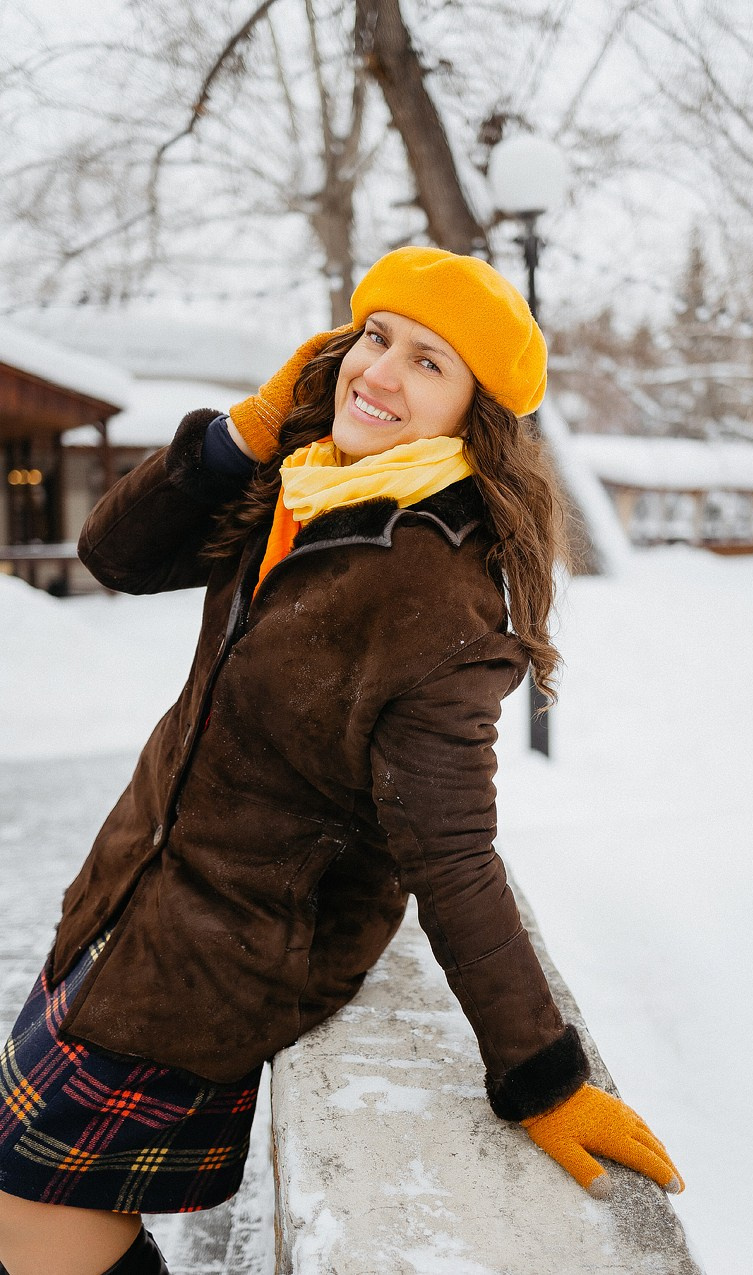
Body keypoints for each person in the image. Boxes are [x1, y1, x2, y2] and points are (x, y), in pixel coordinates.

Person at [0, 247, 682, 1275]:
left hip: (225, 961)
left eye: (428, 362)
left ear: (473, 414)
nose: (379, 373)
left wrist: (541, 1075)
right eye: (376, 337)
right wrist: (244, 432)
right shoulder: (304, 485)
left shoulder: (433, 592)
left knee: (32, 1230)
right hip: (125, 913)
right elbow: (116, 556)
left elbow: (452, 855)